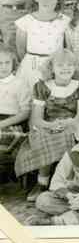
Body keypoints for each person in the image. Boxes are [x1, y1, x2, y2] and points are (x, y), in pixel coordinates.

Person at [15, 49, 79, 202]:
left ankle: (66, 184)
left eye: (70, 65)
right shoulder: (42, 86)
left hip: (72, 124)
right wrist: (50, 125)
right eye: (60, 65)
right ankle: (42, 182)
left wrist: (68, 123)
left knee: (68, 136)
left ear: (75, 67)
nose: (65, 68)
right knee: (45, 137)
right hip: (47, 124)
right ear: (52, 68)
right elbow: (37, 119)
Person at [15, 0, 70, 90]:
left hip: (55, 66)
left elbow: (68, 47)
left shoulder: (64, 21)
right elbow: (20, 49)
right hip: (31, 66)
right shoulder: (26, 21)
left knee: (52, 93)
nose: (48, 1)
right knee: (30, 93)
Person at [0, 44, 30, 175]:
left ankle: (5, 172)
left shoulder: (19, 83)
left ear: (13, 63)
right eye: (0, 63)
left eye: (7, 62)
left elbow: (25, 112)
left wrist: (3, 124)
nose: (3, 66)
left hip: (12, 121)